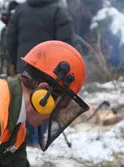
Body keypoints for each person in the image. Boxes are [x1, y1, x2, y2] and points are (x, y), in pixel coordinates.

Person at [5, 0, 73, 146]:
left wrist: (12, 61)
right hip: (51, 70)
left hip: (25, 66)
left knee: (25, 101)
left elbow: (11, 38)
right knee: (45, 102)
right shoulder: (58, 12)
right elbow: (66, 45)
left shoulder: (21, 10)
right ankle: (38, 140)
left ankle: (23, 138)